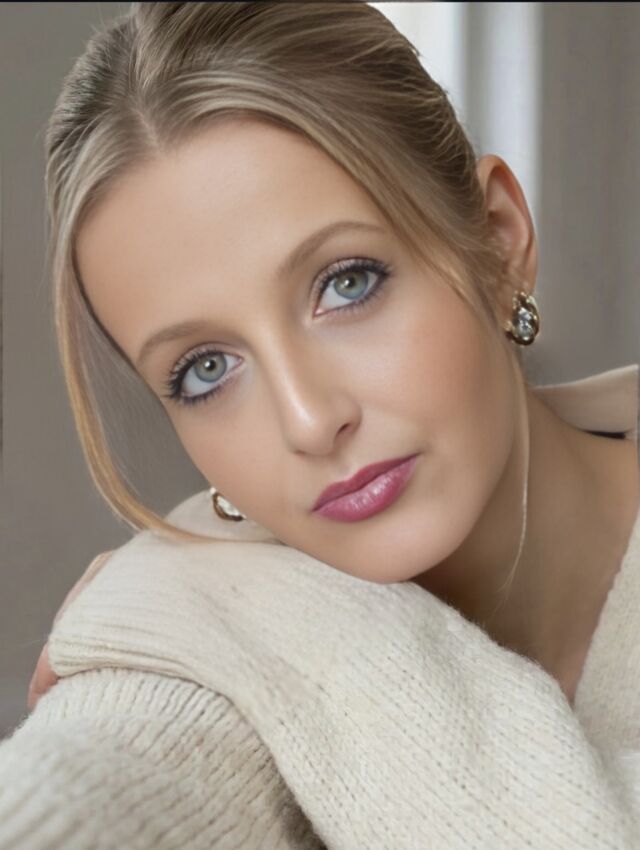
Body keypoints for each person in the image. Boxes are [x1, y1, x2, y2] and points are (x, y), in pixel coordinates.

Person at [1, 2, 639, 848]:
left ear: (497, 242)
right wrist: (214, 591)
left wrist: (206, 598)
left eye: (346, 284)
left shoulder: (195, 599)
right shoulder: (204, 610)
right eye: (206, 369)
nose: (307, 420)